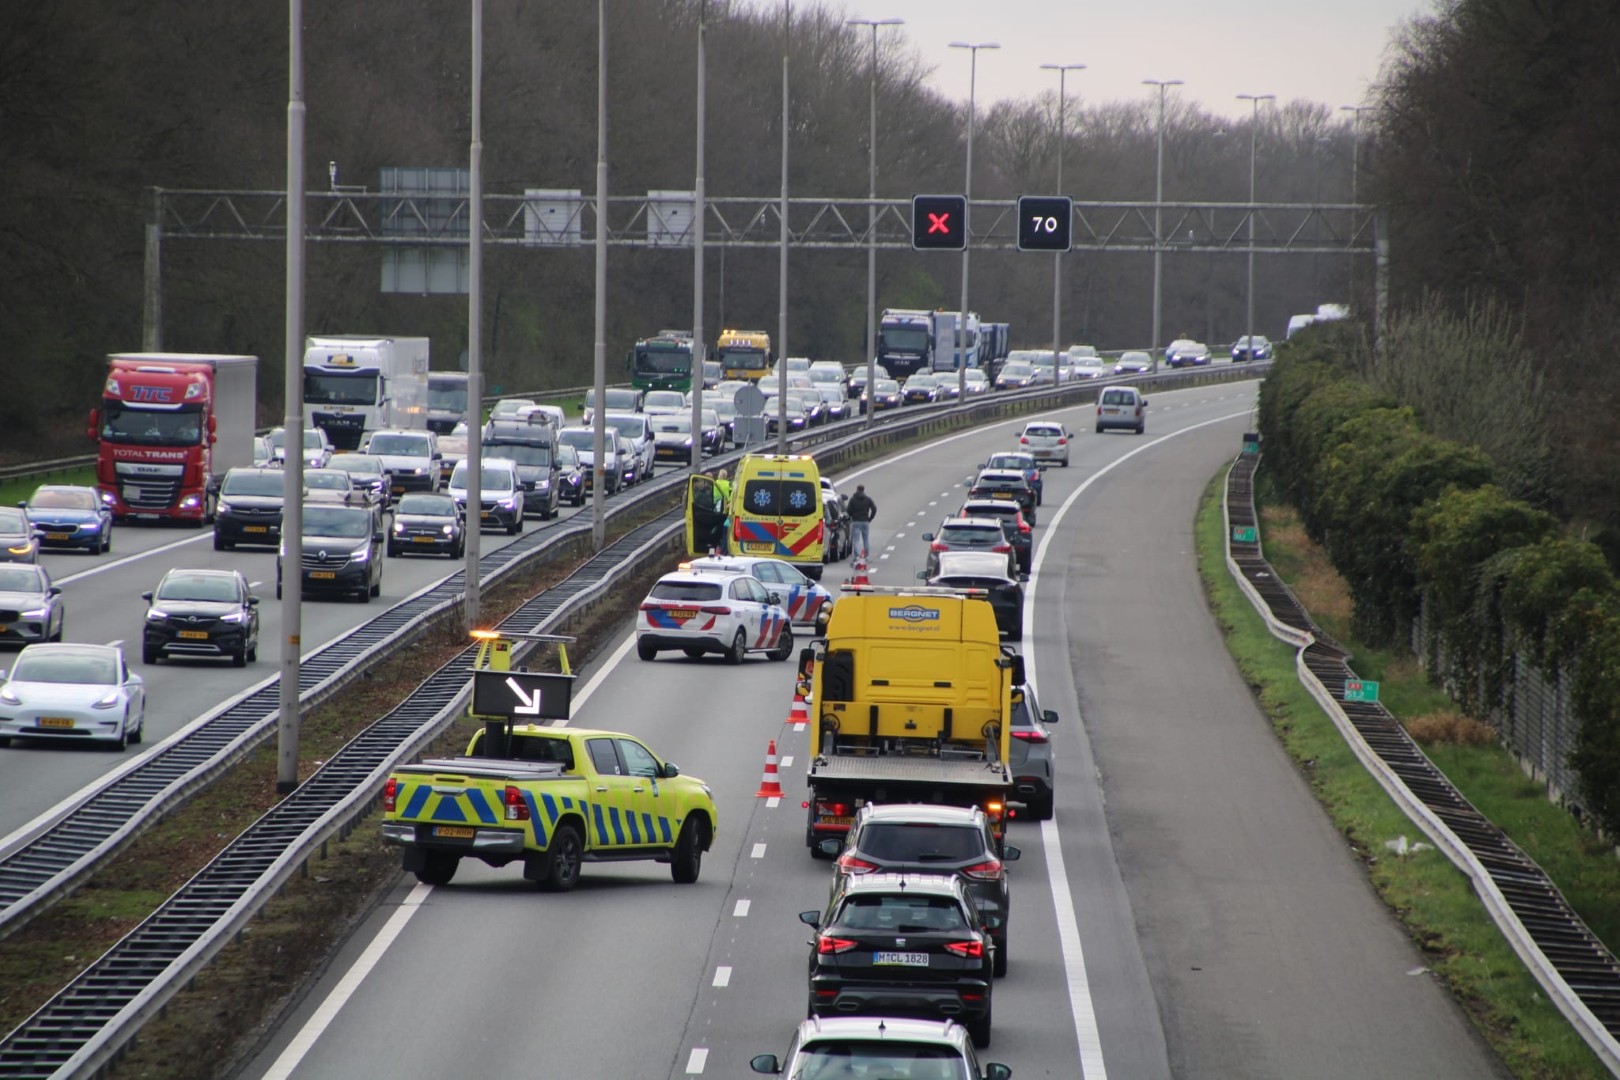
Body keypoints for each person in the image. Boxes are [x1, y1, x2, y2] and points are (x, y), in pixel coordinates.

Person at [845, 483, 875, 559]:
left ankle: (857, 555)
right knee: (866, 539)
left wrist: (851, 516)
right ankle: (866, 554)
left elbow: (848, 510)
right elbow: (874, 509)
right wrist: (870, 518)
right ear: (863, 490)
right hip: (865, 521)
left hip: (855, 521)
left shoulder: (853, 499)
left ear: (857, 489)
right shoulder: (868, 499)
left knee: (856, 539)